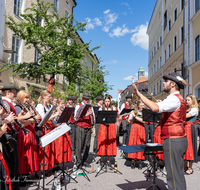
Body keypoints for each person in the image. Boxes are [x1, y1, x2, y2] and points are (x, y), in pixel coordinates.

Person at [132, 72, 189, 190]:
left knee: (173, 176)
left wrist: (138, 94)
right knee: (177, 175)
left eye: (166, 81)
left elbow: (154, 108)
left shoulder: (174, 99)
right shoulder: (175, 99)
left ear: (173, 84)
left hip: (174, 139)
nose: (163, 82)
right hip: (177, 138)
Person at [15, 90, 40, 186]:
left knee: (29, 154)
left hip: (29, 133)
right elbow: (21, 123)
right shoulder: (18, 107)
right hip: (23, 133)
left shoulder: (25, 107)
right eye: (26, 98)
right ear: (20, 97)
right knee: (23, 154)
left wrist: (34, 117)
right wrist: (32, 119)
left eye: (28, 97)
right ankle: (21, 178)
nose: (28, 100)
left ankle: (26, 176)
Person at [36, 90, 61, 173]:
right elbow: (43, 119)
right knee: (44, 149)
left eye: (50, 97)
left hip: (49, 128)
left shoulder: (48, 106)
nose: (50, 98)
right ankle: (40, 170)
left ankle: (47, 167)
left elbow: (50, 120)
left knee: (49, 149)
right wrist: (55, 114)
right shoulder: (40, 106)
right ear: (44, 97)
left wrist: (55, 121)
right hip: (43, 129)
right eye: (49, 96)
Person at [96, 94, 117, 168]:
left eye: (108, 101)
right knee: (102, 141)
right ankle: (102, 160)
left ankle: (108, 160)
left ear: (110, 102)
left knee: (110, 142)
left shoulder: (113, 109)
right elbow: (98, 118)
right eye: (106, 101)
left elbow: (115, 119)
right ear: (104, 102)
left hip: (111, 126)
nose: (107, 102)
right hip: (103, 126)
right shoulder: (101, 109)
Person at [75, 92, 93, 168]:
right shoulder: (78, 106)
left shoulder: (90, 107)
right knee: (79, 145)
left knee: (87, 145)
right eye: (85, 99)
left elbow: (92, 118)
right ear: (82, 98)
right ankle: (78, 162)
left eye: (88, 99)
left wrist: (92, 116)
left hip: (88, 127)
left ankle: (84, 161)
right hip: (80, 126)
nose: (87, 100)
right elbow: (76, 118)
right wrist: (86, 115)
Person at [126, 100, 146, 169]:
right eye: (141, 105)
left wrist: (135, 116)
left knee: (140, 144)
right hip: (134, 128)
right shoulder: (134, 111)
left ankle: (140, 162)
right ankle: (133, 162)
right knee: (133, 143)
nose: (142, 106)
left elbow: (143, 120)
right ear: (138, 105)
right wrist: (126, 118)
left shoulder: (145, 112)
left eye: (143, 105)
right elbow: (129, 121)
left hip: (141, 128)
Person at [53, 98, 72, 166]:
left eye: (63, 103)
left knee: (63, 146)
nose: (62, 105)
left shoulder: (63, 110)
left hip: (63, 129)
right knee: (57, 147)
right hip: (57, 130)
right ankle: (56, 163)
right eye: (61, 103)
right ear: (57, 104)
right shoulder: (55, 111)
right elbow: (52, 122)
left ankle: (61, 162)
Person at [184, 94, 199, 175]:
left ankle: (190, 168)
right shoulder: (186, 109)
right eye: (186, 100)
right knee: (184, 147)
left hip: (190, 129)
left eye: (188, 100)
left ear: (193, 100)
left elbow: (185, 116)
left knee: (190, 147)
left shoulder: (194, 110)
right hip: (184, 129)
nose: (187, 101)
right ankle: (185, 166)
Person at [65, 95, 77, 160]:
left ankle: (73, 153)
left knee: (73, 139)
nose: (70, 101)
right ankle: (69, 152)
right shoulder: (65, 106)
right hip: (67, 123)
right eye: (69, 100)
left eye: (71, 100)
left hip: (73, 123)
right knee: (68, 138)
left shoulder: (75, 106)